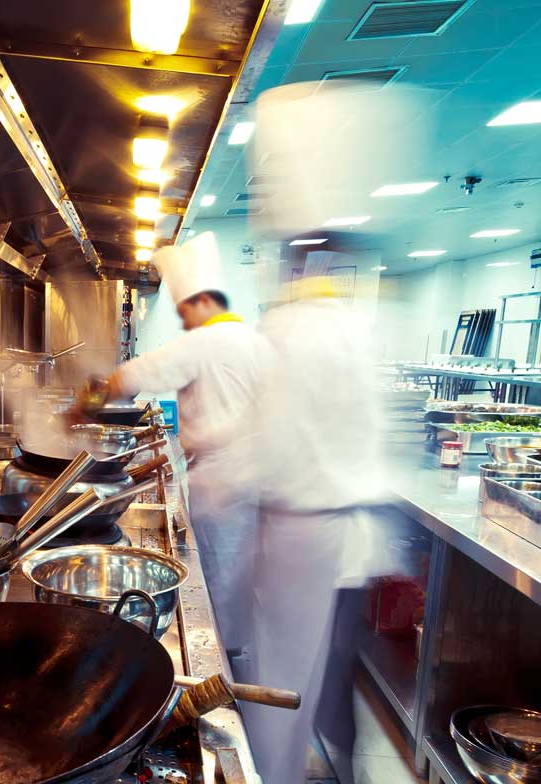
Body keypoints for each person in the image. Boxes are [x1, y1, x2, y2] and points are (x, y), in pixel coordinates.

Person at [233, 261, 392, 784]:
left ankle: (273, 774)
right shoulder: (353, 327)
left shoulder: (283, 329)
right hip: (347, 531)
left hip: (297, 531)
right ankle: (334, 769)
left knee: (281, 680)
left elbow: (261, 442)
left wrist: (223, 482)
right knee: (330, 670)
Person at [105, 231, 272, 656]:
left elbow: (129, 377)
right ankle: (234, 652)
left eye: (182, 312)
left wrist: (81, 406)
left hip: (219, 482)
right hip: (250, 479)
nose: (182, 322)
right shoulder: (253, 341)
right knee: (237, 577)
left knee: (217, 577)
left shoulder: (205, 342)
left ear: (200, 301)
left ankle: (222, 668)